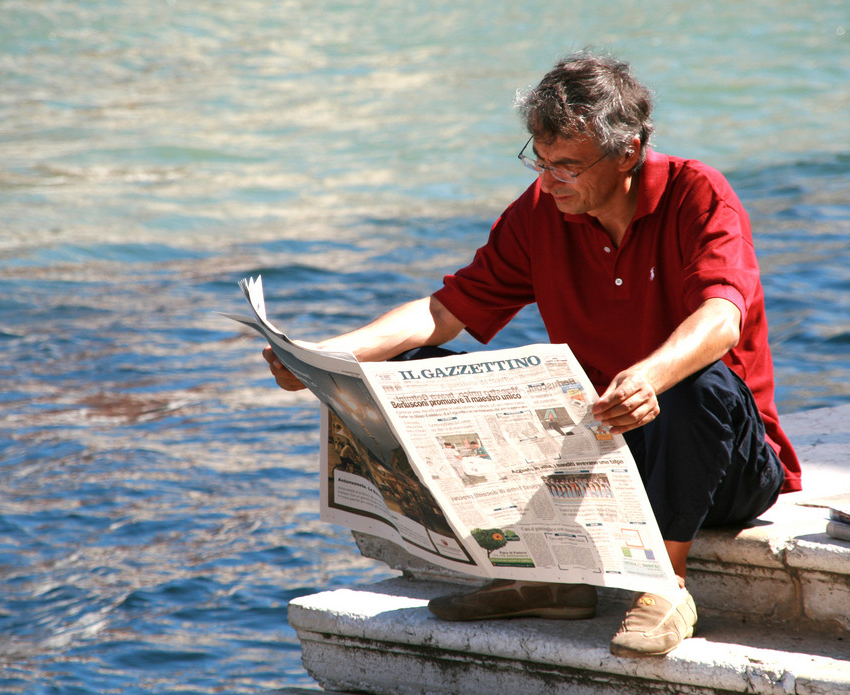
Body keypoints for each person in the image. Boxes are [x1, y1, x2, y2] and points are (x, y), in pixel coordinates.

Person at [262, 49, 801, 658]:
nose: (549, 180)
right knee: (405, 373)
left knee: (693, 385)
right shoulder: (541, 210)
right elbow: (446, 311)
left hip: (724, 463)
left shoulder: (698, 193)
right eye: (540, 161)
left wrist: (649, 376)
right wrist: (324, 356)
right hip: (602, 453)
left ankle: (666, 585)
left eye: (568, 165)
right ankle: (548, 578)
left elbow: (722, 317)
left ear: (629, 151)